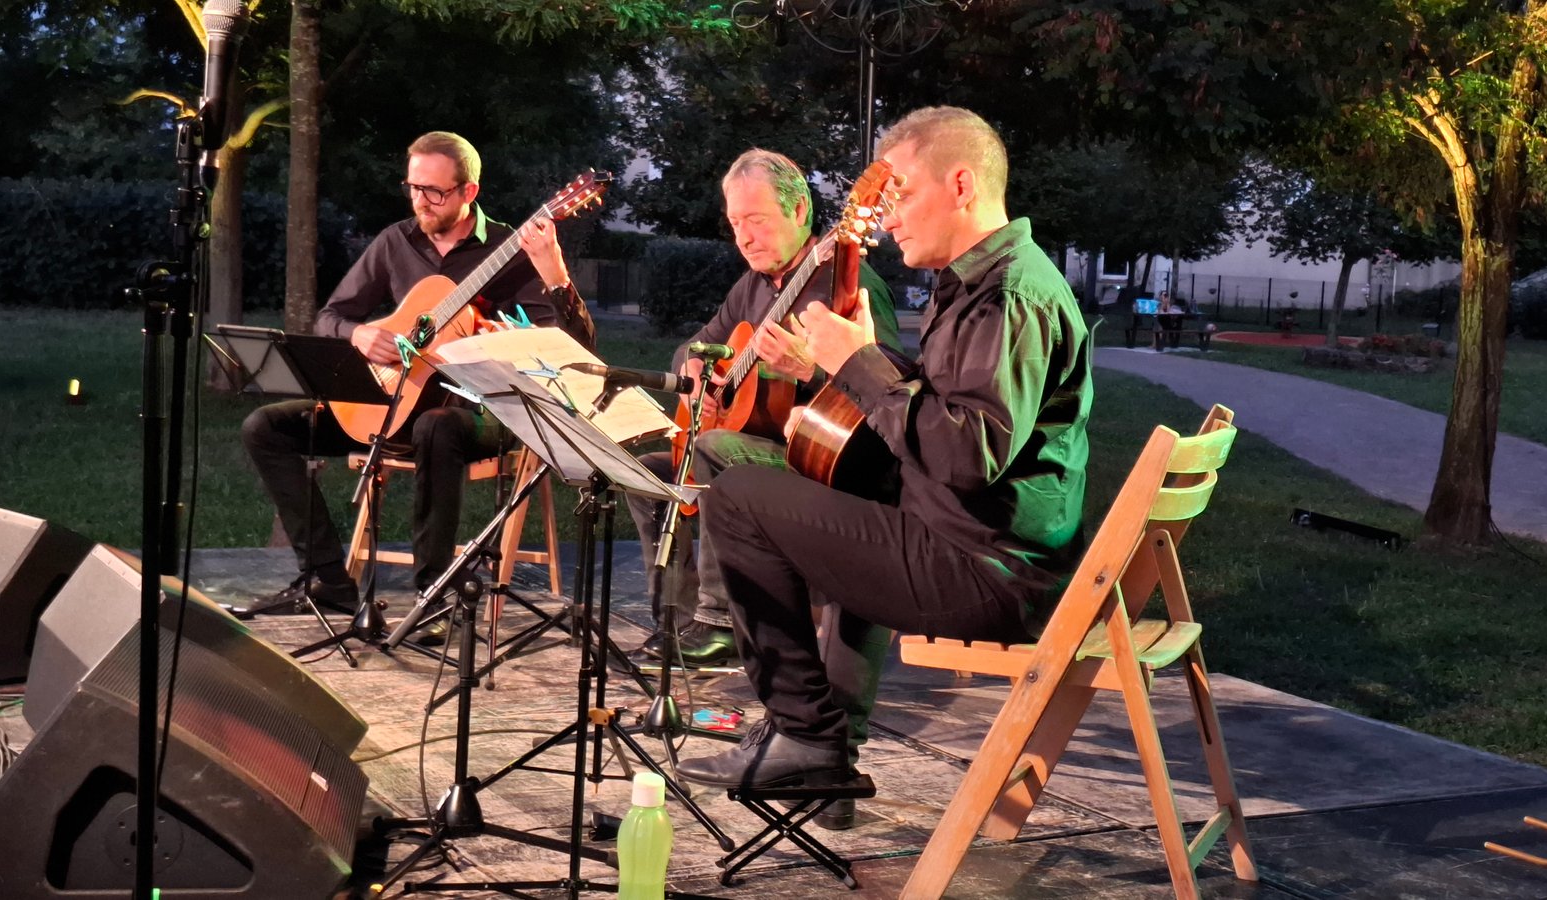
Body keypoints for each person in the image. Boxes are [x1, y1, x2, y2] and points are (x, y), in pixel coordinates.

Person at [676, 107, 1093, 792]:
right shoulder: (981, 285)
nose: (891, 216)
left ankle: (808, 735)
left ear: (961, 185)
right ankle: (821, 737)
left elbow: (966, 456)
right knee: (823, 479)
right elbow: (950, 413)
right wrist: (867, 364)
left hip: (982, 569)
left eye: (902, 194)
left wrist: (861, 363)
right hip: (968, 540)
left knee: (740, 500)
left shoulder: (1010, 296)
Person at [236, 131, 595, 618]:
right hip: (389, 401)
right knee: (266, 427)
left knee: (436, 426)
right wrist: (359, 334)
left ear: (469, 193)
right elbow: (330, 317)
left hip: (479, 413)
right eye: (413, 188)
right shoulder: (394, 241)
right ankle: (326, 580)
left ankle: (434, 593)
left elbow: (574, 347)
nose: (421, 201)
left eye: (435, 191)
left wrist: (552, 275)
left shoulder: (514, 250)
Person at [623, 149, 902, 669]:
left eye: (756, 220)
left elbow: (887, 395)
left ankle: (720, 621)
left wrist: (813, 371)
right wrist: (700, 378)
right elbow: (693, 350)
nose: (744, 237)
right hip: (756, 447)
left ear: (799, 213)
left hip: (823, 466)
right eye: (734, 223)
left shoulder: (849, 285)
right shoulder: (752, 285)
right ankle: (675, 621)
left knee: (712, 446)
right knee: (647, 472)